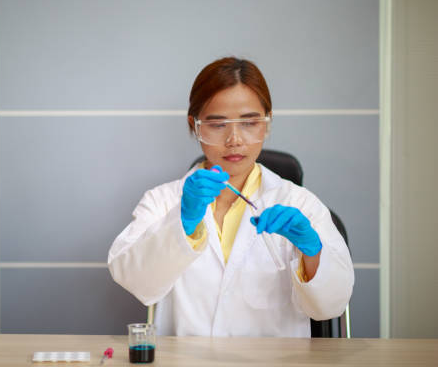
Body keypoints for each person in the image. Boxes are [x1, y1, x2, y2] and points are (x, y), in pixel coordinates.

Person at [107, 57, 354, 337]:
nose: (235, 139)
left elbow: (331, 307)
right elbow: (135, 281)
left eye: (249, 123)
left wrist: (313, 252)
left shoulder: (300, 203)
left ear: (267, 124)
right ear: (195, 126)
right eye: (218, 124)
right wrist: (181, 225)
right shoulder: (162, 201)